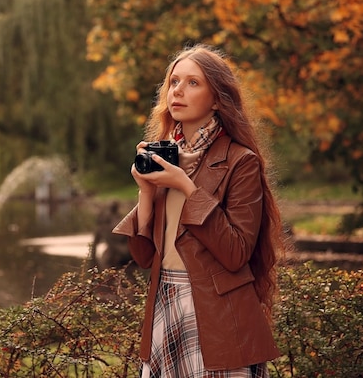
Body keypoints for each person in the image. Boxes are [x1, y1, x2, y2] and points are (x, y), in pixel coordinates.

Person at [113, 44, 284, 377]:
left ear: (217, 98)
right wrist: (147, 191)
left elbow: (235, 253)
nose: (178, 90)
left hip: (218, 315)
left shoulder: (240, 162)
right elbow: (144, 256)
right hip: (165, 303)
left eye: (193, 83)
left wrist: (187, 187)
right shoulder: (166, 158)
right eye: (174, 81)